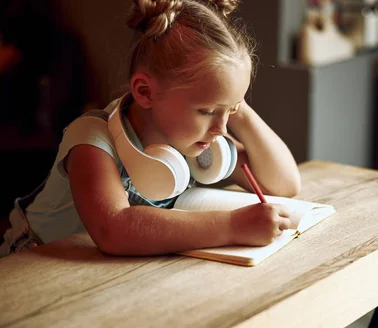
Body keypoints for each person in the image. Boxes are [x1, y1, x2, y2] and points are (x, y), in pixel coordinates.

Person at [0, 0, 301, 257]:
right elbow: (114, 229)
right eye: (207, 111)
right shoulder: (91, 141)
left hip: (112, 275)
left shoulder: (194, 139)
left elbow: (284, 185)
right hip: (39, 264)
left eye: (230, 111)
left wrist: (235, 105)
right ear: (144, 92)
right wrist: (233, 226)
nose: (221, 129)